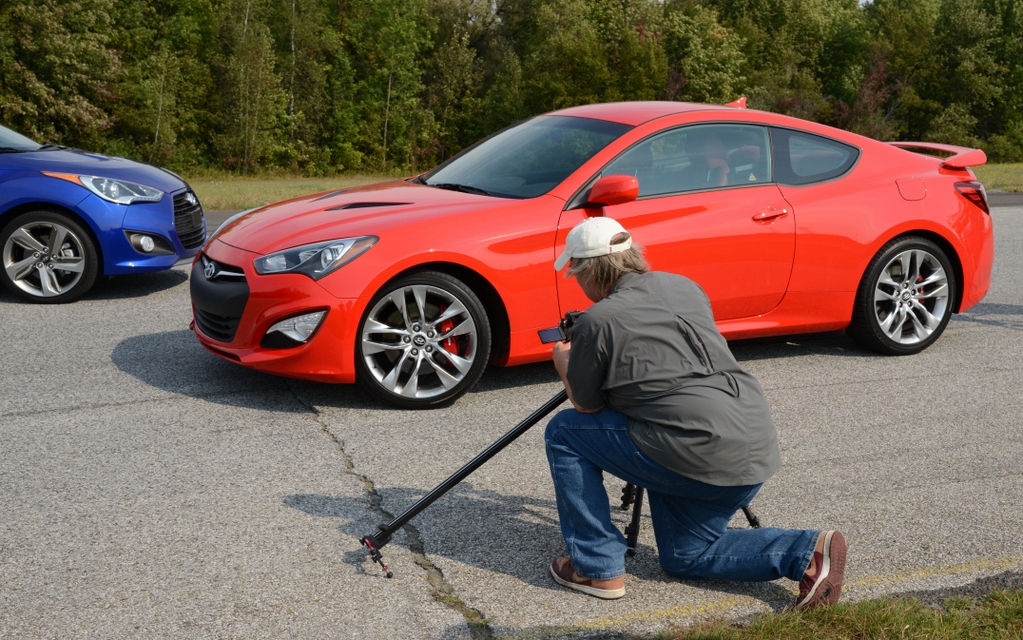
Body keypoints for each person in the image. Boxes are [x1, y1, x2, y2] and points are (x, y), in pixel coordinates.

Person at [545, 216, 846, 609]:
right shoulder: (684, 286)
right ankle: (805, 552)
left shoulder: (599, 320)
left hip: (692, 450)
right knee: (684, 557)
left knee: (565, 432)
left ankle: (596, 567)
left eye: (575, 274)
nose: (577, 284)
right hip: (751, 444)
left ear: (590, 270)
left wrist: (564, 360)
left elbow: (586, 404)